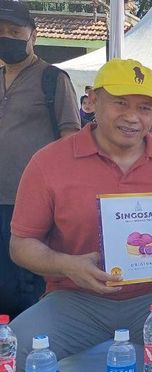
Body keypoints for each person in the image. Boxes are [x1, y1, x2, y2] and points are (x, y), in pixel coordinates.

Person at [8, 58, 152, 372]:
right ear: (92, 101)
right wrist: (68, 265)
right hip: (75, 295)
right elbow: (21, 245)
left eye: (145, 108)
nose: (133, 117)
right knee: (11, 354)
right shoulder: (49, 162)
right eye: (120, 103)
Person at [1, 0, 81, 318]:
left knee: (23, 292)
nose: (6, 37)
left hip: (31, 205)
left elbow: (70, 139)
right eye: (1, 31)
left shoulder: (52, 79)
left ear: (32, 34)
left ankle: (25, 361)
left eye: (14, 31)